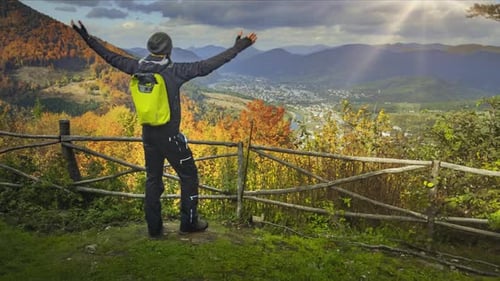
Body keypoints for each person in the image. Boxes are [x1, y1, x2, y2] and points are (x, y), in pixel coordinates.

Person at [71, 20, 257, 238]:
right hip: (170, 138)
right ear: (168, 51)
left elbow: (110, 57)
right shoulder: (174, 71)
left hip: (148, 134)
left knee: (153, 180)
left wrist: (87, 37)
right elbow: (208, 65)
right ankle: (188, 223)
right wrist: (239, 46)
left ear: (150, 49)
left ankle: (154, 228)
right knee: (189, 176)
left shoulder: (136, 67)